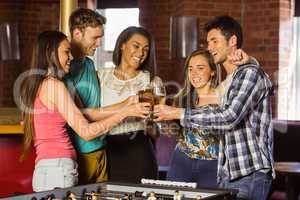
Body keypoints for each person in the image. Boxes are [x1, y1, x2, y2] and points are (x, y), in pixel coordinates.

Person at [154, 16, 274, 200]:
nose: (209, 47)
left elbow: (229, 117)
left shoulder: (249, 73)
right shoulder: (232, 81)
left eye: (214, 41)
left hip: (249, 174)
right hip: (228, 173)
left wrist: (178, 113)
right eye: (208, 41)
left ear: (232, 41)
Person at [19, 31, 150, 192]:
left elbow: (85, 113)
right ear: (49, 52)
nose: (71, 57)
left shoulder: (35, 84)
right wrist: (125, 113)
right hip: (58, 170)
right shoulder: (55, 86)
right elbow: (87, 132)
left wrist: (126, 104)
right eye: (66, 52)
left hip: (46, 168)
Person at [98, 26, 158, 183]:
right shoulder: (100, 76)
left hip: (139, 150)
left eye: (145, 49)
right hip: (107, 149)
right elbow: (92, 114)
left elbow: (156, 128)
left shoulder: (150, 81)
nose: (141, 53)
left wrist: (154, 122)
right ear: (122, 45)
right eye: (136, 46)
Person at [63, 8, 108, 185]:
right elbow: (84, 114)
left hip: (100, 149)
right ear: (77, 33)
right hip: (81, 153)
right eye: (94, 38)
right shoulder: (65, 70)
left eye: (100, 38)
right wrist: (126, 108)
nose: (98, 44)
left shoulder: (89, 63)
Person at [166, 50, 221, 188]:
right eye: (190, 69)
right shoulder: (181, 98)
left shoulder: (223, 99)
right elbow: (172, 131)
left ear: (213, 71)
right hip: (181, 161)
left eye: (200, 68)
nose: (194, 73)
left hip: (212, 164)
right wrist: (163, 122)